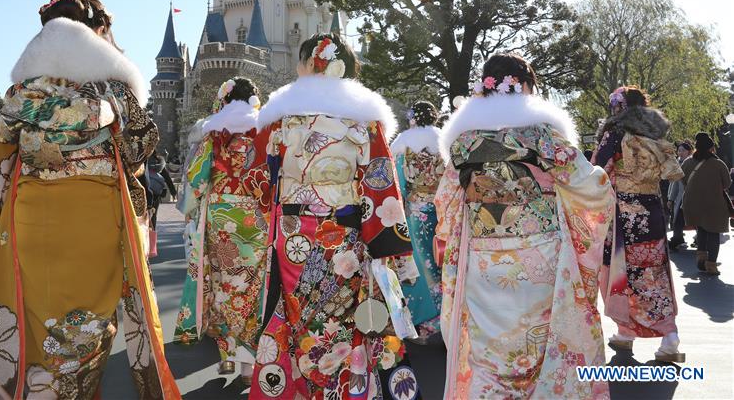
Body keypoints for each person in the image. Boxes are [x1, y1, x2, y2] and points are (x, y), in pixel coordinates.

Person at [0, 0, 180, 399]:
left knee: (36, 308)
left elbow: (2, 155)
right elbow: (138, 150)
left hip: (32, 212)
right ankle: (77, 388)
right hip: (94, 212)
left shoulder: (22, 88)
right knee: (88, 315)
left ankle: (42, 390)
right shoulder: (114, 86)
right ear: (97, 31)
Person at [249, 33, 420, 400]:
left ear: (311, 63)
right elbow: (380, 184)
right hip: (345, 237)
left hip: (294, 237)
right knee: (343, 322)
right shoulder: (362, 121)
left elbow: (260, 180)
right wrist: (387, 246)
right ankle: (341, 388)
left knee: (300, 320)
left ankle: (307, 386)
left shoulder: (280, 119)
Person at [435, 54, 614, 398]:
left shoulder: (463, 141)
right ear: (526, 87)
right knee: (539, 347)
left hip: (483, 261)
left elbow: (445, 202)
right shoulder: (542, 135)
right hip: (539, 257)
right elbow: (592, 186)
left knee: (488, 353)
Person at [175, 77, 268, 383]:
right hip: (254, 217)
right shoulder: (263, 133)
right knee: (251, 287)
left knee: (222, 284)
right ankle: (247, 364)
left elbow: (197, 177)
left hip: (220, 215)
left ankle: (227, 356)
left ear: (225, 100)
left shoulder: (215, 133)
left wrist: (189, 208)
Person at [593, 85, 685, 362]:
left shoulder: (616, 133)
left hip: (624, 214)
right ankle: (663, 336)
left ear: (618, 107)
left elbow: (598, 170)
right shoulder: (654, 135)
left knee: (620, 273)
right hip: (652, 211)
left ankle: (631, 331)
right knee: (653, 274)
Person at [391, 100, 445, 343]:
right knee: (442, 261)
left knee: (420, 262)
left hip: (415, 211)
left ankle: (425, 319)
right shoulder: (444, 141)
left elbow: (399, 182)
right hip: (444, 209)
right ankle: (448, 314)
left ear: (412, 118)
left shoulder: (403, 144)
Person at [682, 132, 732, 276]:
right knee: (714, 233)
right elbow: (727, 184)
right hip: (714, 204)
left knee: (702, 230)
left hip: (693, 203)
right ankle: (711, 265)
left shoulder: (687, 162)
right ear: (711, 148)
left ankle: (701, 260)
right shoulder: (718, 163)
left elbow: (683, 181)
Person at [667, 141, 694, 251]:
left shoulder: (692, 163)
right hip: (680, 197)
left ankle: (699, 239)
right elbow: (674, 184)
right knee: (678, 220)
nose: (680, 152)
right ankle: (678, 239)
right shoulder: (676, 163)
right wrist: (671, 198)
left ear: (689, 151)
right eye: (679, 150)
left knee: (695, 220)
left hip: (693, 197)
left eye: (683, 150)